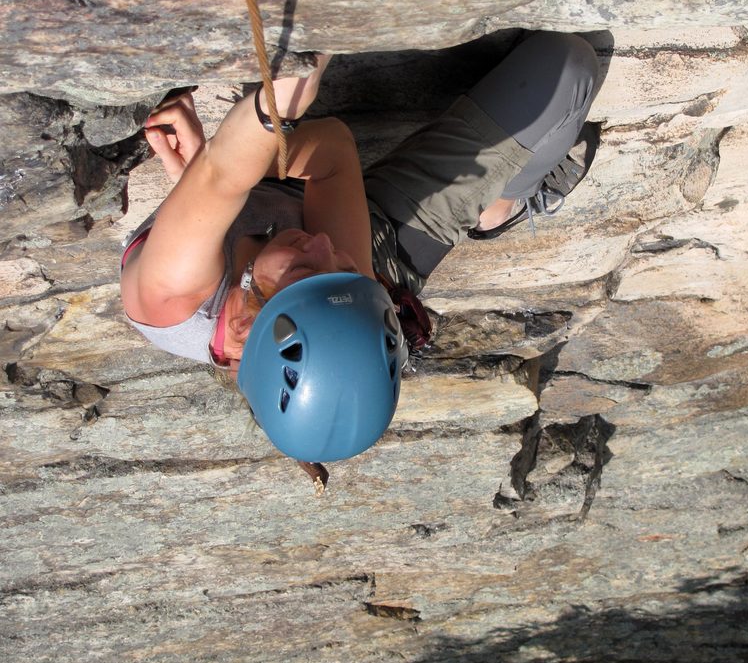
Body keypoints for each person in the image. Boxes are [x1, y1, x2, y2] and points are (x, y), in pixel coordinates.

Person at [120, 31, 599, 463]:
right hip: (383, 251)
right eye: (337, 264)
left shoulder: (173, 294)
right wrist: (248, 162)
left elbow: (222, 173)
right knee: (568, 67)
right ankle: (500, 207)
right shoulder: (345, 280)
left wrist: (242, 153)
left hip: (342, 274)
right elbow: (332, 152)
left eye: (307, 272)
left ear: (245, 322)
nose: (325, 244)